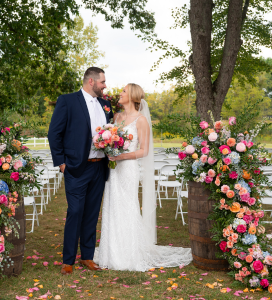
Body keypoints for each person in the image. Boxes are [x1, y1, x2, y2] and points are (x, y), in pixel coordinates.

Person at [94, 83, 192, 271]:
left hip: (128, 168)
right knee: (112, 206)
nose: (120, 94)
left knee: (127, 207)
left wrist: (121, 156)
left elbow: (144, 151)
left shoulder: (141, 121)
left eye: (123, 91)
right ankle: (111, 252)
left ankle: (128, 254)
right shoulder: (116, 116)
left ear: (132, 96)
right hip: (114, 170)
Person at [48, 67, 113, 274]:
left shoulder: (106, 104)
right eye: (103, 82)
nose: (105, 85)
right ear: (91, 82)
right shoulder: (67, 101)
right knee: (75, 212)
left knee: (92, 214)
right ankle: (68, 260)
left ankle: (87, 257)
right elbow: (54, 133)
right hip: (76, 167)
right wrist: (61, 163)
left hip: (99, 167)